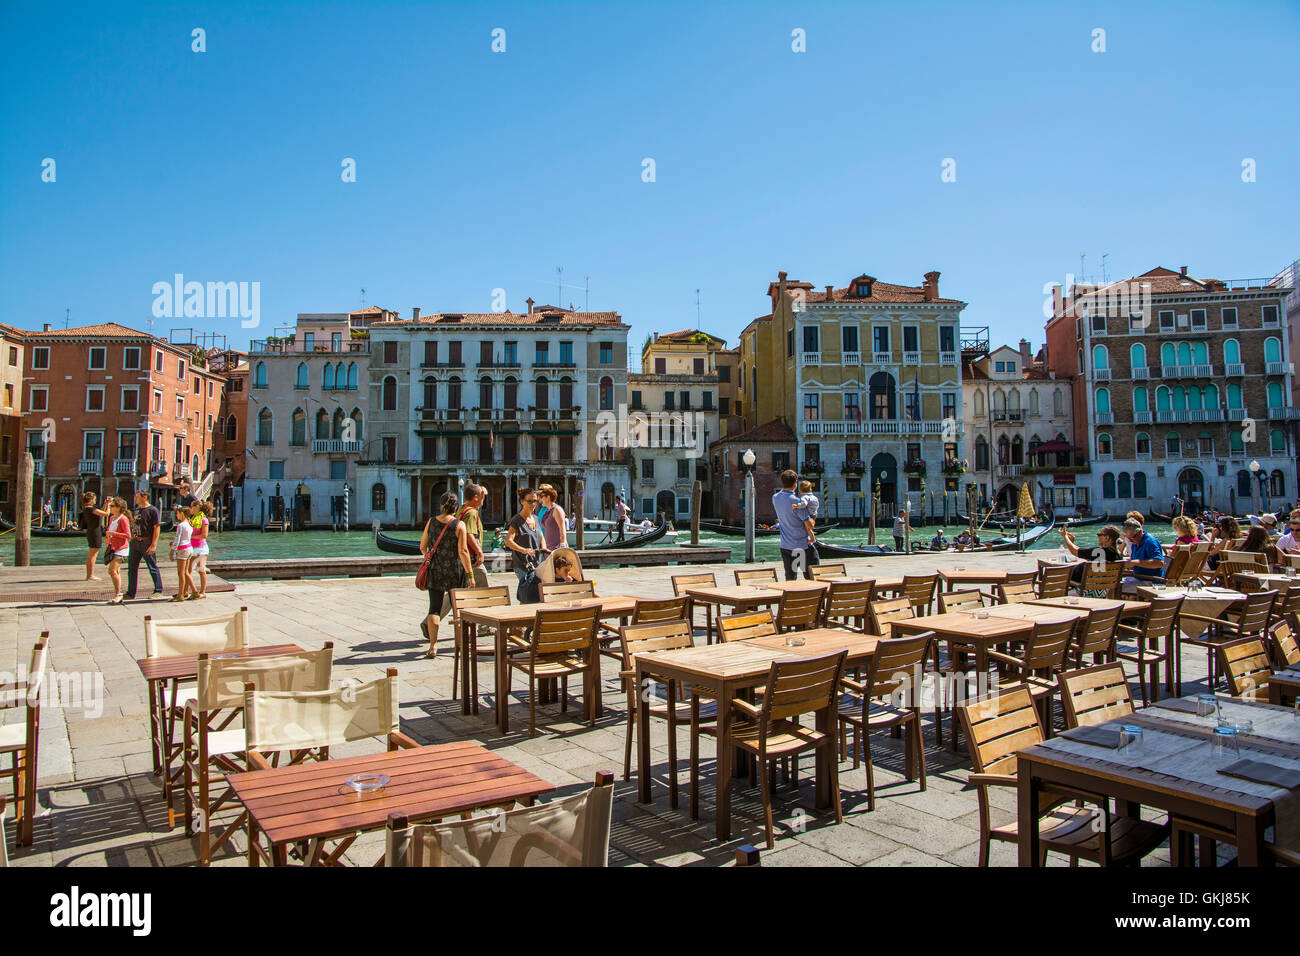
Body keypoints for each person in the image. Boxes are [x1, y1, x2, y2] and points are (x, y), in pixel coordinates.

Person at [418, 491, 473, 658]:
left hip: (436, 570)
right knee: (458, 610)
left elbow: (422, 546)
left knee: (434, 609)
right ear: (455, 507)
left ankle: (433, 647)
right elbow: (463, 551)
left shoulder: (431, 522)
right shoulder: (459, 525)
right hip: (455, 571)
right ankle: (460, 644)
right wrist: (470, 574)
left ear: (441, 505)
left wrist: (432, 557)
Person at [771, 469, 813, 580]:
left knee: (790, 578)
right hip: (802, 546)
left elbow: (781, 492)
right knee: (811, 577)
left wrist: (787, 486)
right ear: (796, 483)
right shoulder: (796, 502)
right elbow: (810, 525)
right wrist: (813, 516)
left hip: (785, 546)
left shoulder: (775, 498)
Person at [505, 487, 545, 600]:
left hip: (537, 563)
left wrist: (545, 549)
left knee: (536, 594)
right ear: (522, 501)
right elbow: (509, 541)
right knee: (528, 594)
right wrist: (524, 550)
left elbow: (541, 536)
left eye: (535, 501)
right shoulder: (516, 520)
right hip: (522, 564)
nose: (533, 504)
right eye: (530, 501)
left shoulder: (536, 519)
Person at [125, 491, 164, 600]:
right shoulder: (137, 510)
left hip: (147, 541)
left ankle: (158, 590)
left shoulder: (153, 510)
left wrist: (153, 544)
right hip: (135, 541)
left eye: (137, 497)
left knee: (152, 566)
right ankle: (131, 592)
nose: (135, 498)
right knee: (132, 568)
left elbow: (157, 527)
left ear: (144, 497)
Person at [457, 482, 489, 588]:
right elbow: (468, 534)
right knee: (481, 580)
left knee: (463, 586)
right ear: (475, 497)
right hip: (471, 555)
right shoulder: (472, 513)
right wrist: (479, 552)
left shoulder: (463, 508)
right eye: (481, 497)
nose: (483, 499)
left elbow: (476, 504)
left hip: (461, 554)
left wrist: (482, 493)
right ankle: (484, 602)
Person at [103, 497, 132, 604]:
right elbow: (110, 531)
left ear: (119, 508)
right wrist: (108, 540)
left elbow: (128, 535)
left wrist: (113, 534)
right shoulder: (112, 518)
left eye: (112, 506)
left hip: (121, 548)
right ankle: (118, 593)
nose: (110, 508)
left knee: (112, 571)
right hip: (113, 547)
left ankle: (118, 594)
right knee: (116, 571)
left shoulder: (123, 519)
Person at [1121, 518, 1164, 586]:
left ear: (1140, 532)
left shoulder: (1150, 542)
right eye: (1127, 538)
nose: (1129, 541)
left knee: (1115, 587)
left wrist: (1135, 562)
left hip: (1151, 581)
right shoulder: (1135, 543)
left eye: (1131, 538)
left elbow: (1159, 563)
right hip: (1138, 578)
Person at [168, 506, 197, 602]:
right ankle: (194, 591)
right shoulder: (189, 524)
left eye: (178, 513)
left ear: (182, 514)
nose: (176, 515)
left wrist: (172, 551)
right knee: (186, 572)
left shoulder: (181, 525)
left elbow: (178, 539)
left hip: (182, 550)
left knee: (181, 573)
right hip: (189, 548)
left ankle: (180, 595)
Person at [79, 491, 109, 582]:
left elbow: (101, 512)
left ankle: (89, 575)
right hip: (95, 533)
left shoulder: (87, 508)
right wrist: (110, 506)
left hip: (91, 532)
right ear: (91, 500)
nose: (95, 500)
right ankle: (90, 575)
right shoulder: (92, 509)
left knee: (91, 554)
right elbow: (106, 514)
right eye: (94, 499)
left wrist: (106, 504)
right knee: (93, 554)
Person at [188, 501, 212, 598]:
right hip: (192, 547)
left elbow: (204, 535)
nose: (190, 509)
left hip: (201, 548)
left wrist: (190, 537)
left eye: (191, 507)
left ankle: (202, 592)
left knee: (201, 570)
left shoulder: (204, 519)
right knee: (187, 571)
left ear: (197, 506)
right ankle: (186, 591)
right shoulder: (193, 519)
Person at [537, 484, 567, 552]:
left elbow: (562, 531)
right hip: (547, 547)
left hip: (556, 548)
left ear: (548, 497)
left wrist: (562, 548)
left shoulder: (557, 510)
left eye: (542, 496)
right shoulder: (547, 510)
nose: (540, 498)